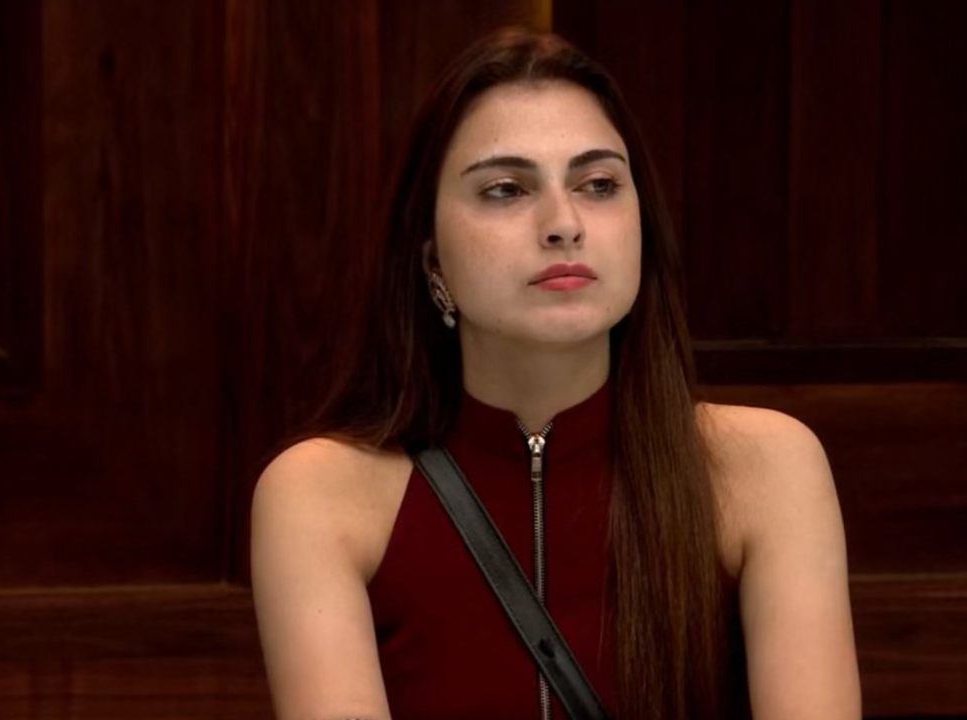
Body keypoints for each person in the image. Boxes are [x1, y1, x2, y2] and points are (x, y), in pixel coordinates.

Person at [249, 25, 860, 720]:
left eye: (599, 184)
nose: (564, 223)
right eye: (506, 189)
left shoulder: (765, 468)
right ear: (432, 259)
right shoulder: (321, 497)